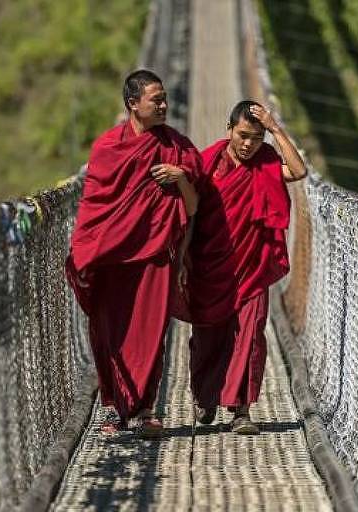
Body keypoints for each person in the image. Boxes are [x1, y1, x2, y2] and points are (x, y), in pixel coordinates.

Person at [66, 69, 201, 437]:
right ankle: (113, 409)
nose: (164, 105)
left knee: (150, 333)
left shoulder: (177, 149)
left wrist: (181, 177)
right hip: (111, 258)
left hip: (155, 253)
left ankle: (142, 410)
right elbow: (95, 204)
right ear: (132, 104)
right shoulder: (108, 148)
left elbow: (191, 209)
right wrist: (85, 250)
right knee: (111, 331)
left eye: (164, 99)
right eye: (155, 99)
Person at [182, 100, 306, 434]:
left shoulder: (266, 162)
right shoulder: (207, 162)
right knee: (208, 336)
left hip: (252, 265)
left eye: (256, 137)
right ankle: (205, 397)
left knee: (250, 337)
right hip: (210, 265)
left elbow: (298, 171)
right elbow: (189, 212)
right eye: (243, 135)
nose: (249, 144)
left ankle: (241, 411)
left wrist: (276, 128)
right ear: (229, 129)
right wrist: (182, 257)